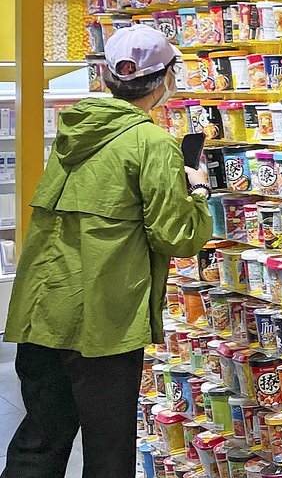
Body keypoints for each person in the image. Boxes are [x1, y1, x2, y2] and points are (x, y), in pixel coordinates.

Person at [3, 24, 213, 478]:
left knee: (40, 437)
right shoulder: (153, 143)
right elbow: (176, 237)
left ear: (106, 76)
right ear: (166, 79)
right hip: (104, 320)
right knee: (109, 449)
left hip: (41, 311)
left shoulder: (74, 130)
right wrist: (197, 192)